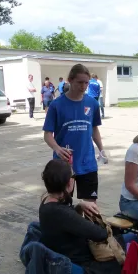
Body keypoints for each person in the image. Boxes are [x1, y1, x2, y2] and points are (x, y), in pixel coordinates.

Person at [38, 159, 133, 274]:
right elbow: (100, 234)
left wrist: (80, 206)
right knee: (134, 245)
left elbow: (67, 222)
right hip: (85, 265)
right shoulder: (61, 213)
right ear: (70, 183)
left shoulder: (46, 202)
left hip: (68, 257)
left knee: (129, 238)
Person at [43, 64, 105, 202]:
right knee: (63, 207)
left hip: (87, 163)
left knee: (90, 208)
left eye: (86, 83)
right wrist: (57, 149)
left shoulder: (92, 104)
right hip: (63, 165)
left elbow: (94, 129)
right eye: (80, 82)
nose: (83, 86)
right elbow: (47, 134)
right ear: (70, 80)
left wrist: (101, 149)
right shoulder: (56, 105)